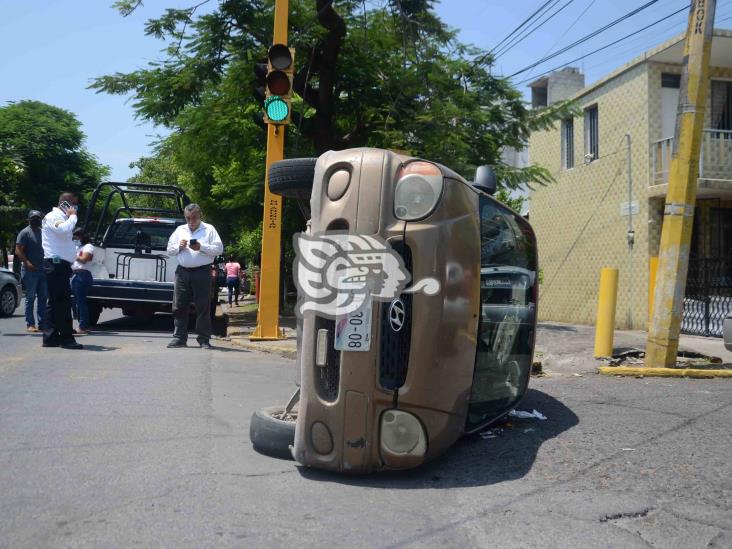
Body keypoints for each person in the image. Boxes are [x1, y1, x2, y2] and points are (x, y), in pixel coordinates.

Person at [166, 203, 223, 349]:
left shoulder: (209, 229)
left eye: (194, 218)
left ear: (200, 216)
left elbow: (219, 249)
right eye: (188, 218)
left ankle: (203, 339)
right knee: (179, 306)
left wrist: (201, 247)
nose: (191, 221)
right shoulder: (180, 230)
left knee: (203, 307)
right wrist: (179, 246)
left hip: (202, 272)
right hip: (183, 272)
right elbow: (169, 250)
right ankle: (179, 338)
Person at [41, 193, 82, 349]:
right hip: (55, 264)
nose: (75, 207)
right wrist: (73, 217)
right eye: (74, 204)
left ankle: (50, 337)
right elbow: (63, 230)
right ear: (65, 204)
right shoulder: (54, 216)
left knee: (54, 301)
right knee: (63, 302)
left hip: (60, 265)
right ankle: (66, 339)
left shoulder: (62, 217)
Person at [14, 210, 48, 332]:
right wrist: (27, 263)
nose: (36, 220)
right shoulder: (24, 233)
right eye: (34, 218)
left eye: (38, 218)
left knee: (43, 298)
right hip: (30, 271)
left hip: (43, 270)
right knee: (30, 297)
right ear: (29, 220)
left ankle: (43, 323)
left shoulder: (43, 232)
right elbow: (18, 250)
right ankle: (30, 324)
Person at [71, 228, 95, 334]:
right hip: (76, 274)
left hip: (83, 274)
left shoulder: (88, 246)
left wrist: (73, 256)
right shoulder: (79, 247)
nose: (75, 239)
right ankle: (83, 324)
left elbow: (84, 259)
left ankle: (83, 326)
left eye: (77, 237)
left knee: (81, 301)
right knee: (77, 301)